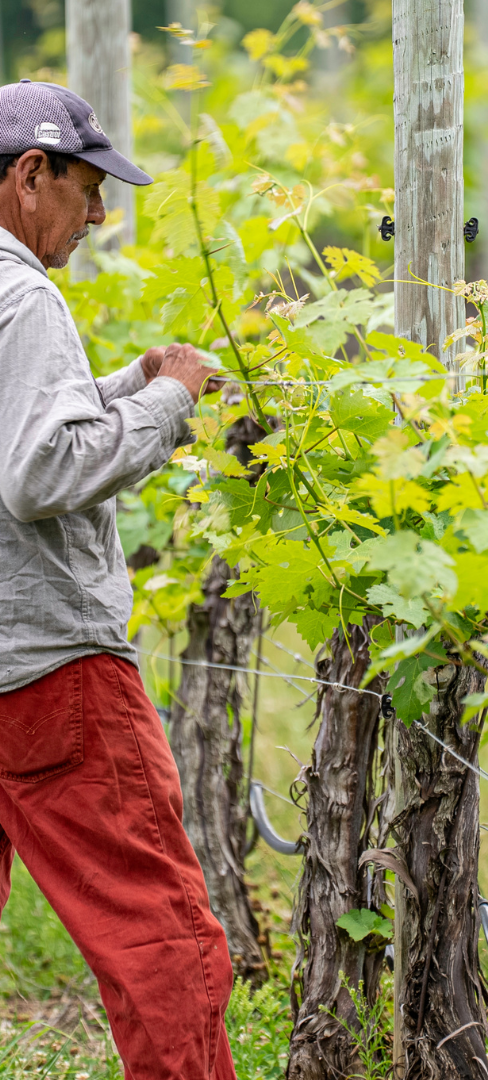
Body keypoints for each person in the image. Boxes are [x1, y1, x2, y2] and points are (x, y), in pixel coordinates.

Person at [0, 80, 236, 1079]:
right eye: (89, 190)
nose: (98, 217)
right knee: (160, 941)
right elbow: (40, 471)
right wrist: (174, 403)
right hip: (52, 674)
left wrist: (122, 390)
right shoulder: (22, 295)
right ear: (28, 175)